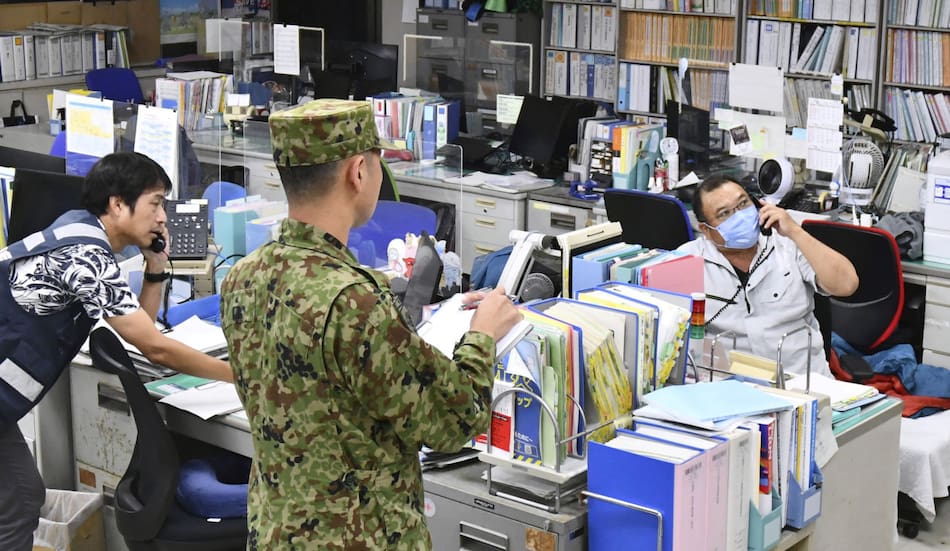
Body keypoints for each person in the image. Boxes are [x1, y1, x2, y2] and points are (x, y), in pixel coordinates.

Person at [219, 99, 522, 550]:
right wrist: (482, 335)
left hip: (275, 532)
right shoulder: (354, 302)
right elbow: (454, 421)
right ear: (358, 171)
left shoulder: (244, 275)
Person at [0, 152, 233, 551]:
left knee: (24, 497)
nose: (162, 217)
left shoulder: (79, 229)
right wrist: (238, 375)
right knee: (15, 511)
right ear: (118, 204)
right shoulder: (85, 255)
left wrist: (155, 267)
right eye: (155, 204)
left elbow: (139, 329)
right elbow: (154, 347)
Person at [678, 175, 859, 377]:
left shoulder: (788, 243)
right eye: (725, 213)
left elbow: (847, 284)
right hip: (730, 386)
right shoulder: (685, 261)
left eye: (743, 204)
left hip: (801, 381)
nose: (739, 216)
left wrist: (795, 231)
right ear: (706, 229)